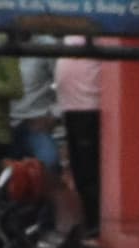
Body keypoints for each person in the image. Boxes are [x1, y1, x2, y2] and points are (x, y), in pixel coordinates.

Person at [54, 45, 102, 231]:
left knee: (89, 173)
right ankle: (90, 220)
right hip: (72, 108)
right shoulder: (74, 32)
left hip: (88, 108)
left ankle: (94, 224)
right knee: (80, 172)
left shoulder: (98, 32)